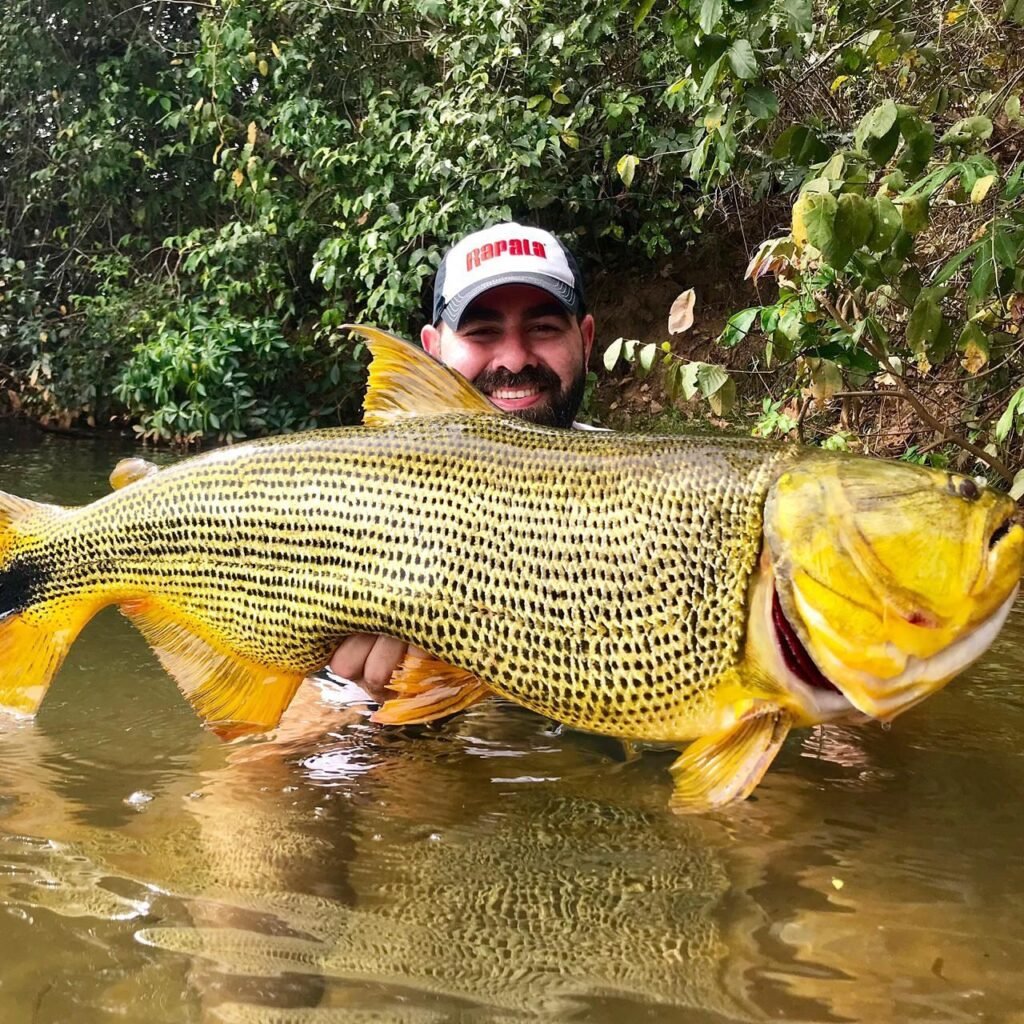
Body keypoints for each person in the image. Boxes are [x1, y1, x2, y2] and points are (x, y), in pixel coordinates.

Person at [328, 222, 596, 702]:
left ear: (587, 339)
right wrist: (381, 713)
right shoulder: (352, 503)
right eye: (482, 332)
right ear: (432, 351)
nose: (514, 359)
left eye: (543, 328)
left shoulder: (655, 489)